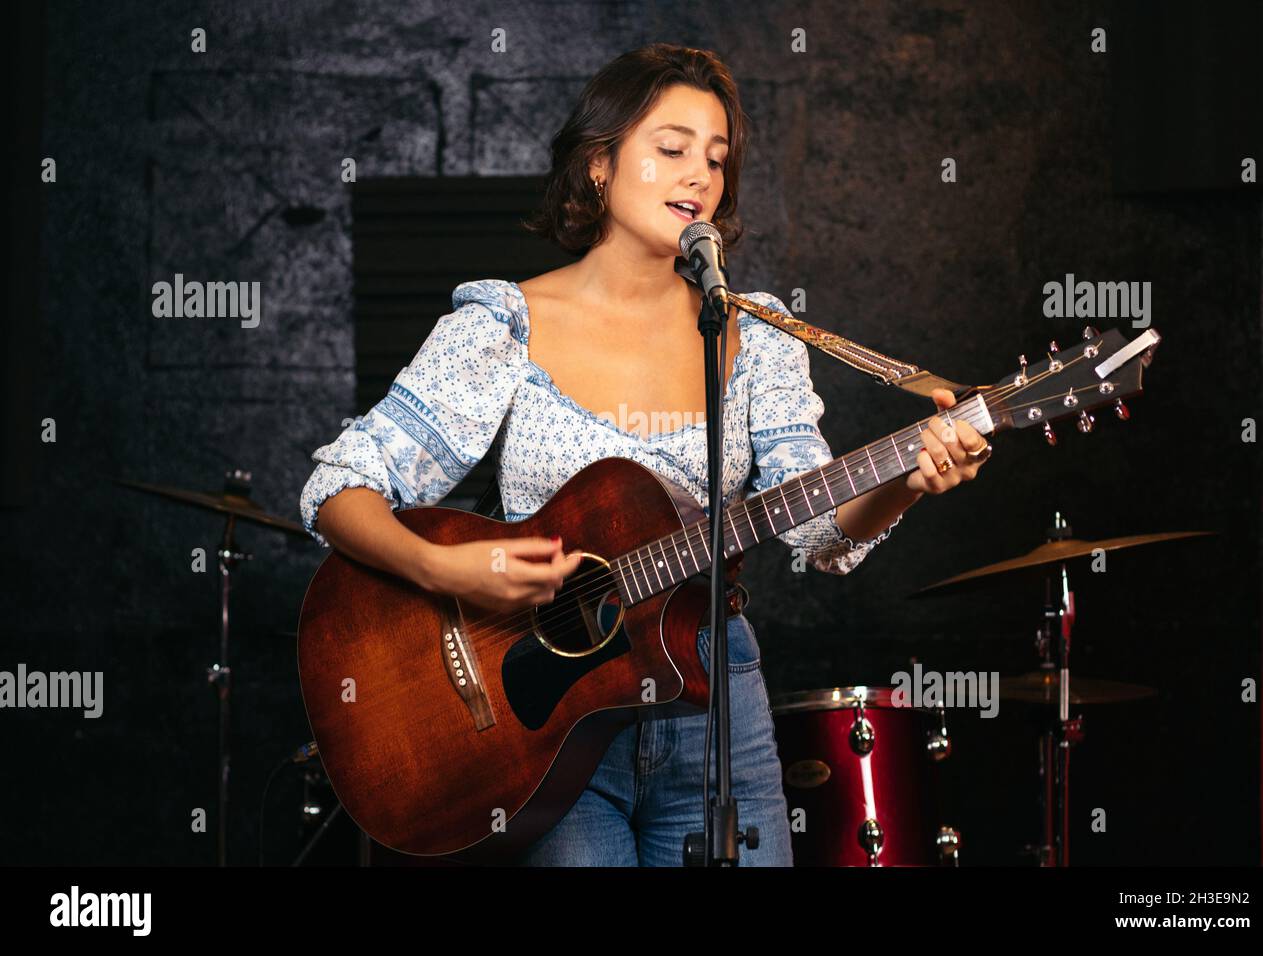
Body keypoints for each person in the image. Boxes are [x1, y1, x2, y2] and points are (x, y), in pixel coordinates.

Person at [299, 43, 992, 866]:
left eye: (716, 158)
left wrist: (911, 479)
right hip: (543, 721)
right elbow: (337, 488)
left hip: (713, 695)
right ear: (599, 165)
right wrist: (446, 571)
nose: (697, 174)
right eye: (670, 149)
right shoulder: (503, 327)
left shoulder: (756, 335)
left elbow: (820, 535)